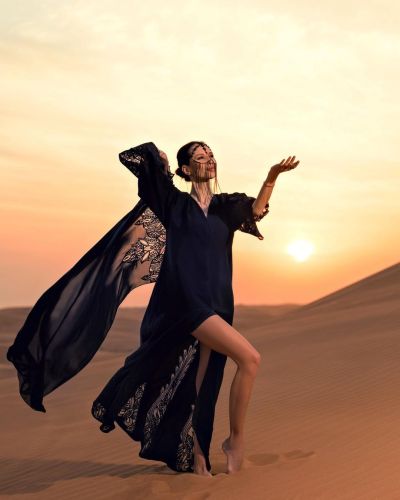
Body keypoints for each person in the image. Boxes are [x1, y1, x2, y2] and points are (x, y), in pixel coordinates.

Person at [7, 140, 299, 476]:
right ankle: (236, 441)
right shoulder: (173, 203)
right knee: (250, 358)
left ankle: (199, 454)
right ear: (186, 170)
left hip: (218, 301)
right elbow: (136, 161)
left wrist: (273, 175)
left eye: (211, 155)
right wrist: (159, 162)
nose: (209, 160)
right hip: (184, 302)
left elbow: (257, 212)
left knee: (202, 382)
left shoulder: (226, 206)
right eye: (200, 158)